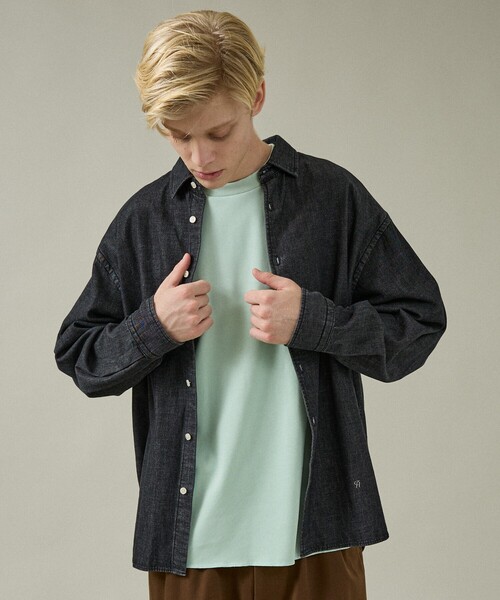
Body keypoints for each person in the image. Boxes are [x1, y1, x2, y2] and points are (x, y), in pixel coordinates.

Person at [54, 10, 446, 600]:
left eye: (217, 133)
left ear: (256, 96)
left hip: (316, 534)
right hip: (192, 544)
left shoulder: (331, 198)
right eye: (178, 135)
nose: (198, 156)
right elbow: (80, 356)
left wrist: (315, 322)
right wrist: (154, 327)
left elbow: (418, 321)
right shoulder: (144, 221)